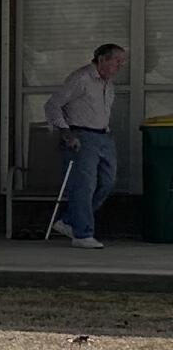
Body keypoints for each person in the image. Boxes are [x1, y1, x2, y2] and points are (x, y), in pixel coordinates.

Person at [44, 42, 128, 247]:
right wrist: (66, 132)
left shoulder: (108, 84)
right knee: (84, 185)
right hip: (82, 135)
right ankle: (82, 234)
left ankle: (70, 220)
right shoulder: (81, 78)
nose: (120, 65)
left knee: (107, 182)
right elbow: (53, 105)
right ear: (102, 59)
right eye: (117, 61)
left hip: (104, 136)